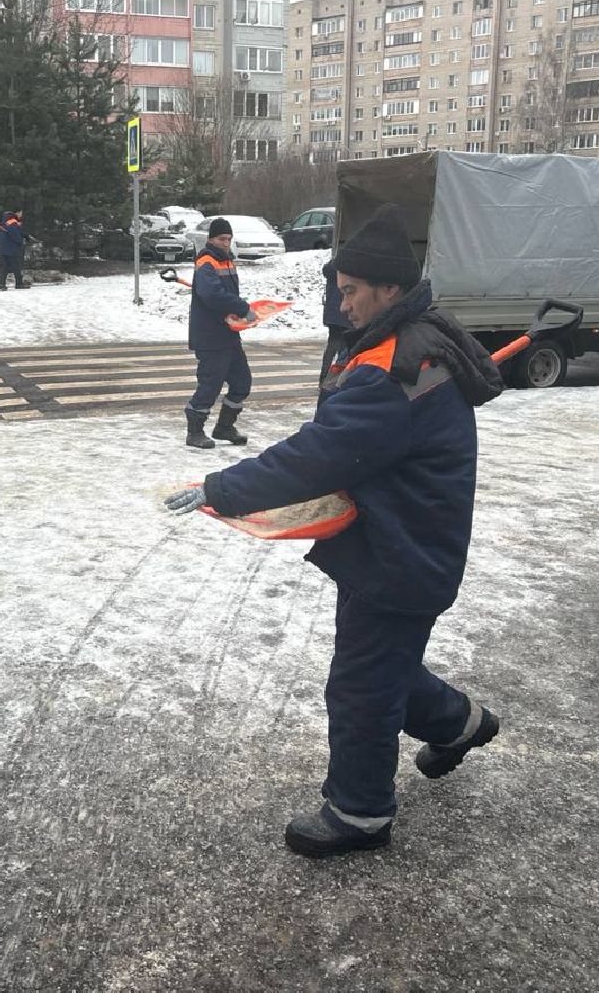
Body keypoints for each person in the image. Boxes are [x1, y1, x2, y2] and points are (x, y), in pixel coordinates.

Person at [164, 204, 505, 858]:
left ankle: (361, 811)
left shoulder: (395, 371)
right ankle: (459, 724)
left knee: (361, 683)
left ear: (389, 290)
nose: (341, 304)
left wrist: (221, 488)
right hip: (397, 538)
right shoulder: (401, 341)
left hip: (403, 550)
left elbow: (321, 453)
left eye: (351, 292)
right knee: (381, 665)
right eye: (337, 291)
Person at [184, 217, 254, 449]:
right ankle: (194, 432)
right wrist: (242, 307)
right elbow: (212, 295)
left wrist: (238, 314)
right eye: (222, 239)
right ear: (211, 239)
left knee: (242, 382)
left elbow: (223, 294)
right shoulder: (207, 261)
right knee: (210, 385)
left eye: (229, 239)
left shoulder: (226, 261)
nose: (226, 243)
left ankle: (224, 427)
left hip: (228, 334)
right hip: (210, 336)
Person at [318, 256, 353, 389]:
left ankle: (323, 379)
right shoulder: (346, 273)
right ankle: (335, 379)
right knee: (344, 349)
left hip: (332, 316)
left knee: (331, 347)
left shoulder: (330, 271)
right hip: (343, 316)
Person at [0, 209, 29, 291]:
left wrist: (25, 235)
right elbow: (15, 234)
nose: (21, 215)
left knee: (5, 267)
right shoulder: (12, 221)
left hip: (4, 248)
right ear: (16, 212)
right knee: (16, 266)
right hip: (11, 248)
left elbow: (15, 231)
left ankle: (2, 285)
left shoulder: (5, 220)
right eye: (20, 213)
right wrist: (21, 241)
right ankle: (19, 284)